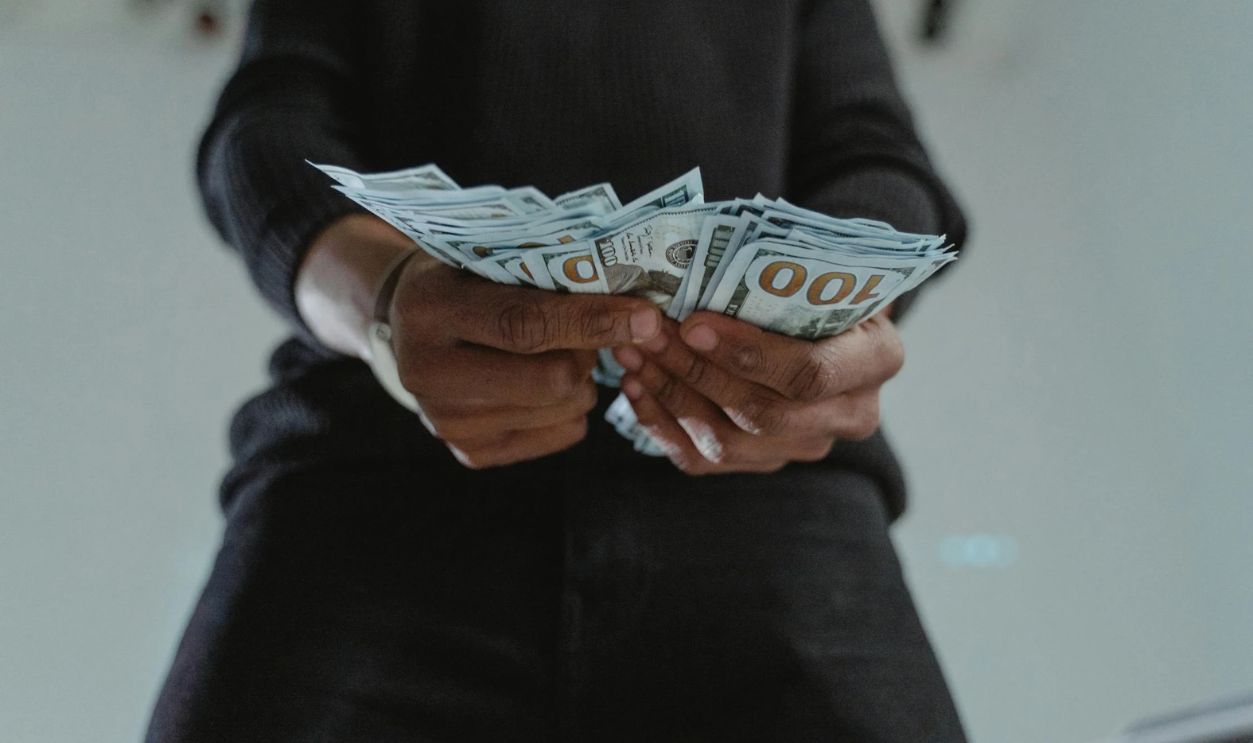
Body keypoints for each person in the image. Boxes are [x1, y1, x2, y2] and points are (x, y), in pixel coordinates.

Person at [146, 1, 970, 741]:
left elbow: (874, 154)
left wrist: (837, 329)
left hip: (772, 497)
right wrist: (384, 303)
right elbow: (268, 126)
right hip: (369, 483)